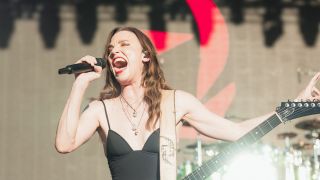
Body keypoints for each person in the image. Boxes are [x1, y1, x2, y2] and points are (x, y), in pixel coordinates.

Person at [55, 26, 320, 180]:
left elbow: (236, 132)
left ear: (146, 55)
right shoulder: (101, 109)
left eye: (124, 45)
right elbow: (64, 144)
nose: (114, 52)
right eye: (111, 50)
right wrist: (80, 83)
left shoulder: (175, 103)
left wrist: (293, 107)